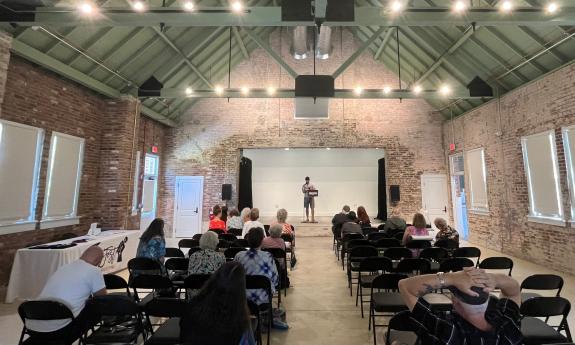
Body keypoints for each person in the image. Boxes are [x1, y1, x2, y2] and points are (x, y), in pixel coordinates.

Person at [398, 267, 522, 345]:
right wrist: (494, 278)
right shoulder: (508, 325)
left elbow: (405, 286)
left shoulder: (447, 330)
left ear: (455, 302)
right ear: (487, 298)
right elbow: (513, 291)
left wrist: (451, 278)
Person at [26, 246, 106, 336]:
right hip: (60, 329)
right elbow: (102, 299)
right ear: (97, 261)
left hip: (32, 326)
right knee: (97, 307)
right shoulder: (94, 270)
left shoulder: (63, 267)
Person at [180, 262, 256, 345]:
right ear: (241, 290)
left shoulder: (193, 305)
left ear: (215, 278)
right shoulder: (240, 322)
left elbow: (183, 334)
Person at [234, 228, 279, 306]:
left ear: (247, 240)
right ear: (262, 240)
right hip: (264, 299)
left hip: (242, 299)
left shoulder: (239, 256)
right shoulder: (268, 256)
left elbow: (233, 277)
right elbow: (275, 280)